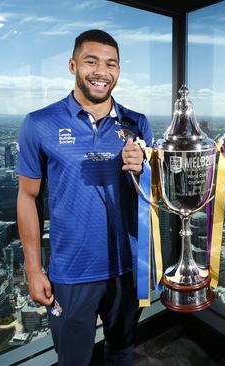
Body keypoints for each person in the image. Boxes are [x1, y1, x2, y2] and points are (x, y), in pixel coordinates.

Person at [16, 29, 153, 366]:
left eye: (111, 64)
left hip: (128, 269)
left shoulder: (138, 124)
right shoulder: (39, 123)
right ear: (72, 64)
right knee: (73, 359)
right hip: (72, 273)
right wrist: (33, 269)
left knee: (121, 354)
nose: (101, 72)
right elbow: (27, 198)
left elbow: (154, 197)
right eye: (91, 61)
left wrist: (146, 171)